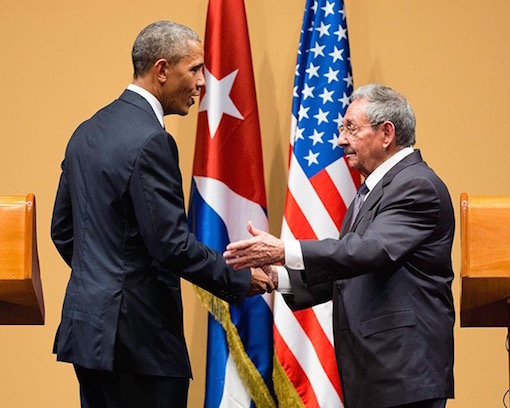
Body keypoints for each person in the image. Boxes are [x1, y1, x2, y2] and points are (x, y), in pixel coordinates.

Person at [51, 20, 273, 408]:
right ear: (162, 70)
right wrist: (237, 280)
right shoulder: (153, 140)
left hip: (88, 334)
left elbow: (64, 231)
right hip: (141, 344)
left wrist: (104, 283)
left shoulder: (86, 131)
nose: (203, 82)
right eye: (195, 69)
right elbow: (170, 244)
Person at [224, 84, 455, 408]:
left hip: (404, 373)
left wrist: (283, 250)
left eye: (351, 128)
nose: (341, 139)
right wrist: (280, 278)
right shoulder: (372, 191)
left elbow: (369, 250)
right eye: (341, 129)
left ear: (386, 132)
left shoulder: (416, 186)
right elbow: (351, 269)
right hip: (377, 374)